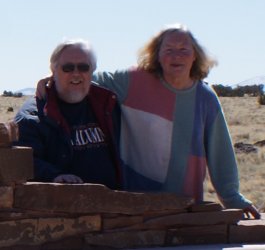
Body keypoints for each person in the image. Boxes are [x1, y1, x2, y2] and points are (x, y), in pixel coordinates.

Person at [36, 24, 260, 219]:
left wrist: (232, 198)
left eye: (184, 50)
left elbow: (220, 152)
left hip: (186, 207)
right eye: (169, 50)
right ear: (157, 54)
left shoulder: (206, 98)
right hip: (135, 205)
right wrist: (53, 80)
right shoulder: (133, 82)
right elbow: (85, 77)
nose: (176, 56)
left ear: (195, 56)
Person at [15, 39, 122, 189]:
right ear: (53, 70)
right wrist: (54, 176)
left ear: (92, 70)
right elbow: (21, 160)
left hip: (115, 205)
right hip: (59, 207)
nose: (76, 74)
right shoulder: (33, 115)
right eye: (68, 68)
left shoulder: (108, 105)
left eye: (84, 67)